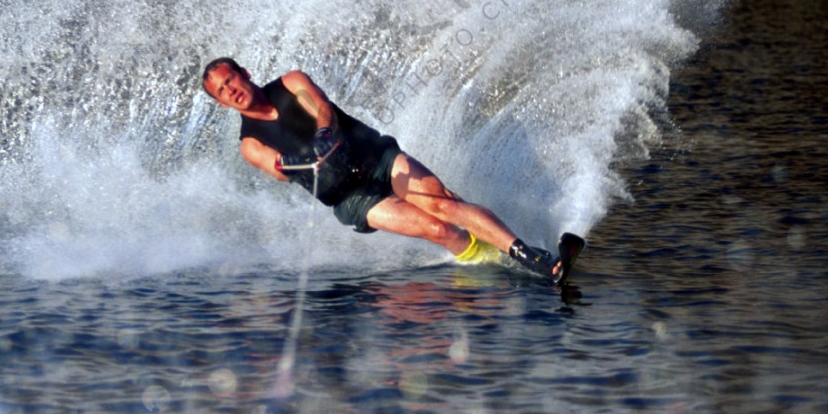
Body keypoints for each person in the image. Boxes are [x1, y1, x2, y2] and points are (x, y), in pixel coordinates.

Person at [200, 57, 565, 279]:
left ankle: (527, 254)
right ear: (220, 103)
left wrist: (325, 133)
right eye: (221, 91)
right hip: (352, 198)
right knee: (437, 228)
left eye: (230, 79)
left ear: (244, 73)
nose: (230, 90)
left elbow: (322, 107)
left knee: (443, 204)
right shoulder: (249, 144)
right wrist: (298, 162)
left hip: (376, 157)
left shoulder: (290, 82)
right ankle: (492, 261)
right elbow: (277, 169)